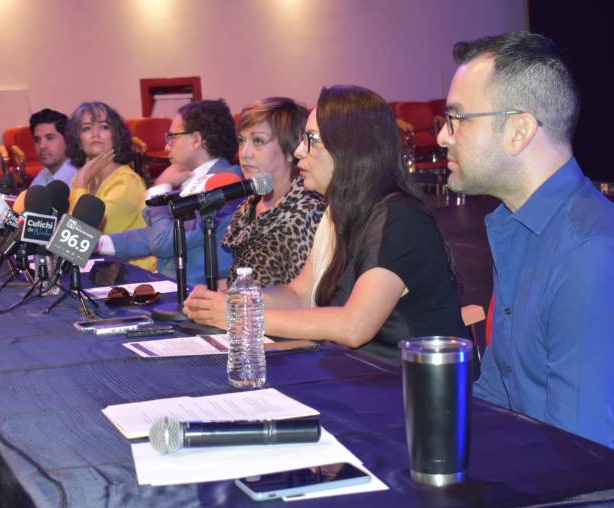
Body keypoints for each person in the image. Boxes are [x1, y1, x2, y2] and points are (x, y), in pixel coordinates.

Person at [436, 31, 614, 472]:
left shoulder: (591, 254)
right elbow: (497, 394)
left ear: (518, 131)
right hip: (540, 465)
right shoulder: (519, 228)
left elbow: (576, 453)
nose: (442, 136)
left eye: (458, 119)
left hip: (612, 491)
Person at [183, 85, 468, 365]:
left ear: (350, 147)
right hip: (360, 377)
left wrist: (242, 315)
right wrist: (234, 301)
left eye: (311, 139)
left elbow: (353, 327)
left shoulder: (400, 218)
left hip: (410, 390)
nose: (298, 151)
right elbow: (299, 294)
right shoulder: (337, 211)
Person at [101, 100, 241, 286]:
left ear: (196, 140)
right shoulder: (191, 179)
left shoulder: (225, 183)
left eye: (172, 137)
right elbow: (154, 235)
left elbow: (164, 242)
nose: (167, 146)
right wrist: (98, 244)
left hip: (198, 294)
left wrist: (160, 187)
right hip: (176, 286)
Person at [223, 97, 325, 287]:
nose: (244, 153)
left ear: (290, 150)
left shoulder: (308, 211)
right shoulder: (250, 205)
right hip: (245, 311)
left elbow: (306, 300)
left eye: (258, 141)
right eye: (241, 141)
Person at [66, 101, 154, 271]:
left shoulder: (126, 182)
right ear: (78, 140)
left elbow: (79, 240)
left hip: (133, 276)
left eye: (104, 127)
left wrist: (81, 182)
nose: (95, 133)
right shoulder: (86, 180)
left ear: (116, 135)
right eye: (86, 128)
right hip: (99, 270)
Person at [28, 109, 77, 188]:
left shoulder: (77, 178)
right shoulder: (44, 174)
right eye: (37, 140)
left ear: (67, 140)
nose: (41, 146)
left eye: (50, 138)